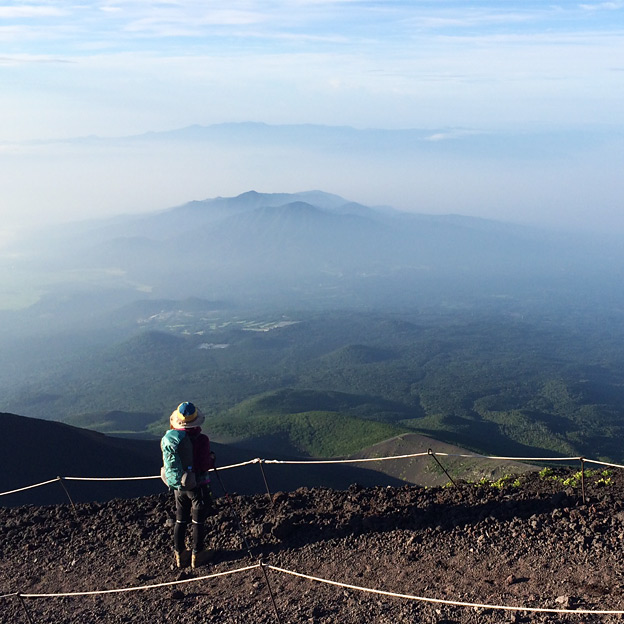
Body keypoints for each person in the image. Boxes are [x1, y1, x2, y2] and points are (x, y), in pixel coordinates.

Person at [161, 401, 216, 569]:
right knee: (198, 520)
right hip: (196, 485)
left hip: (178, 486)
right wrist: (211, 459)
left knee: (180, 520)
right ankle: (197, 554)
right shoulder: (200, 439)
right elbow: (204, 465)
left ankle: (180, 554)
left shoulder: (173, 438)